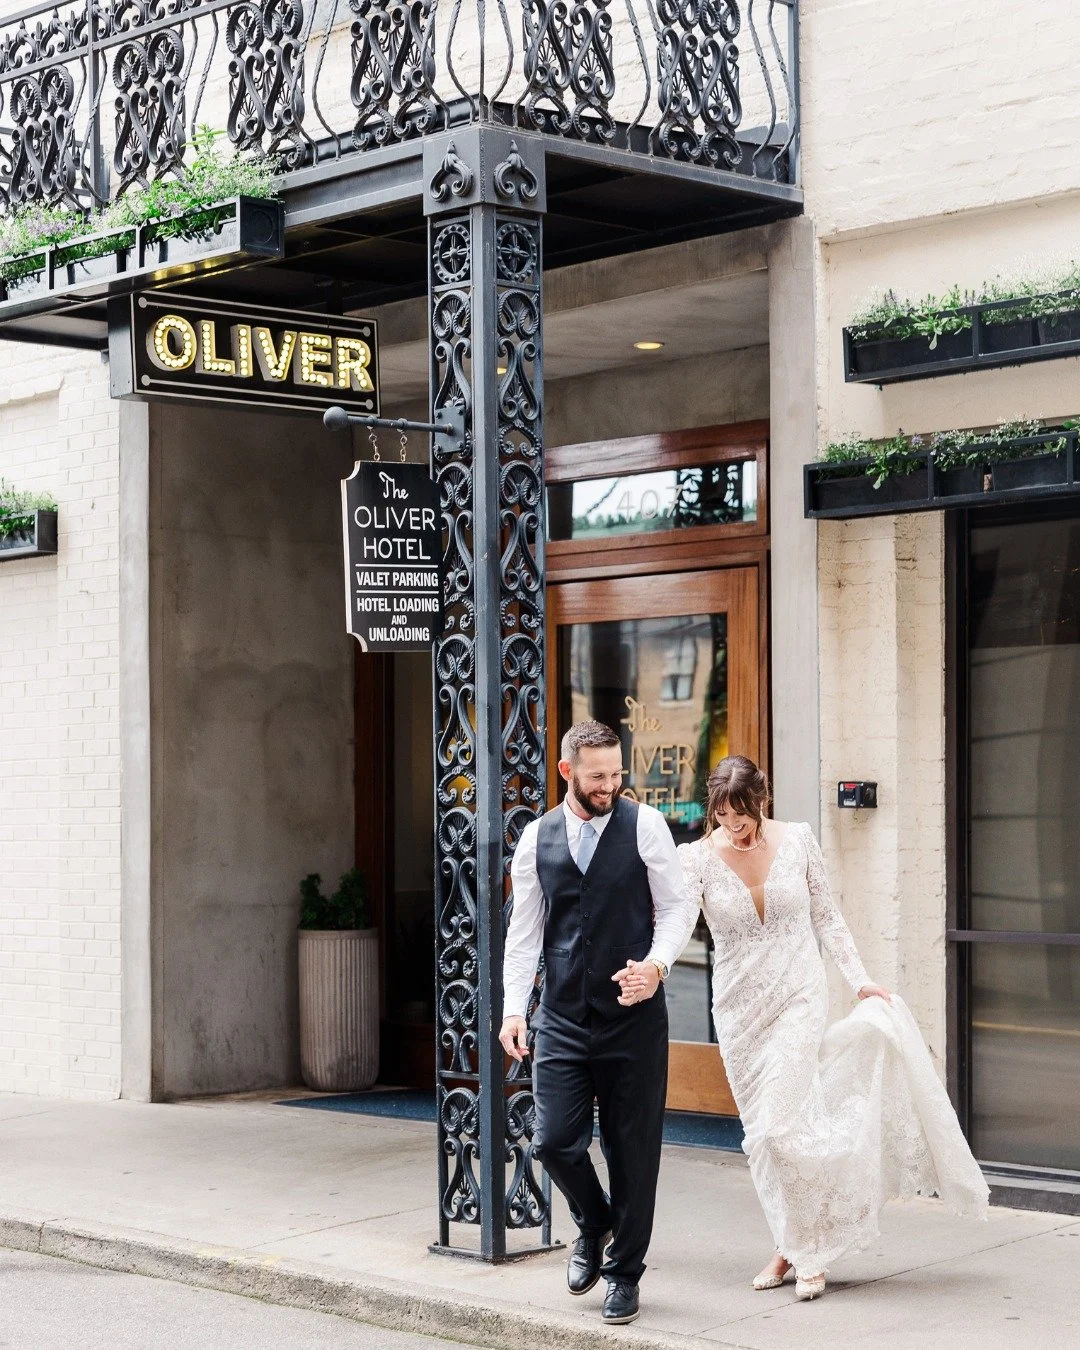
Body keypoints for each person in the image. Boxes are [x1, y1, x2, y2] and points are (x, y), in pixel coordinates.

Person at [620, 753, 988, 1301]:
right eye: (722, 816)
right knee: (762, 1140)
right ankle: (790, 1242)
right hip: (739, 1010)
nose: (732, 826)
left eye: (741, 814)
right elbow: (675, 924)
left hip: (798, 994)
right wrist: (657, 965)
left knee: (780, 1127)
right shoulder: (694, 858)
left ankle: (811, 1252)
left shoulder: (798, 840)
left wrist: (859, 980)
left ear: (761, 801)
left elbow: (828, 917)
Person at [499, 719, 695, 1326]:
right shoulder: (536, 839)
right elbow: (525, 932)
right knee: (554, 1139)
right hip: (560, 1016)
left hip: (634, 1023)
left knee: (632, 1151)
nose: (610, 785)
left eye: (615, 773)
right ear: (567, 774)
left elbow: (679, 903)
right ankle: (595, 1219)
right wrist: (513, 1008)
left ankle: (625, 1274)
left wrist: (659, 965)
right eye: (597, 776)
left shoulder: (647, 826)